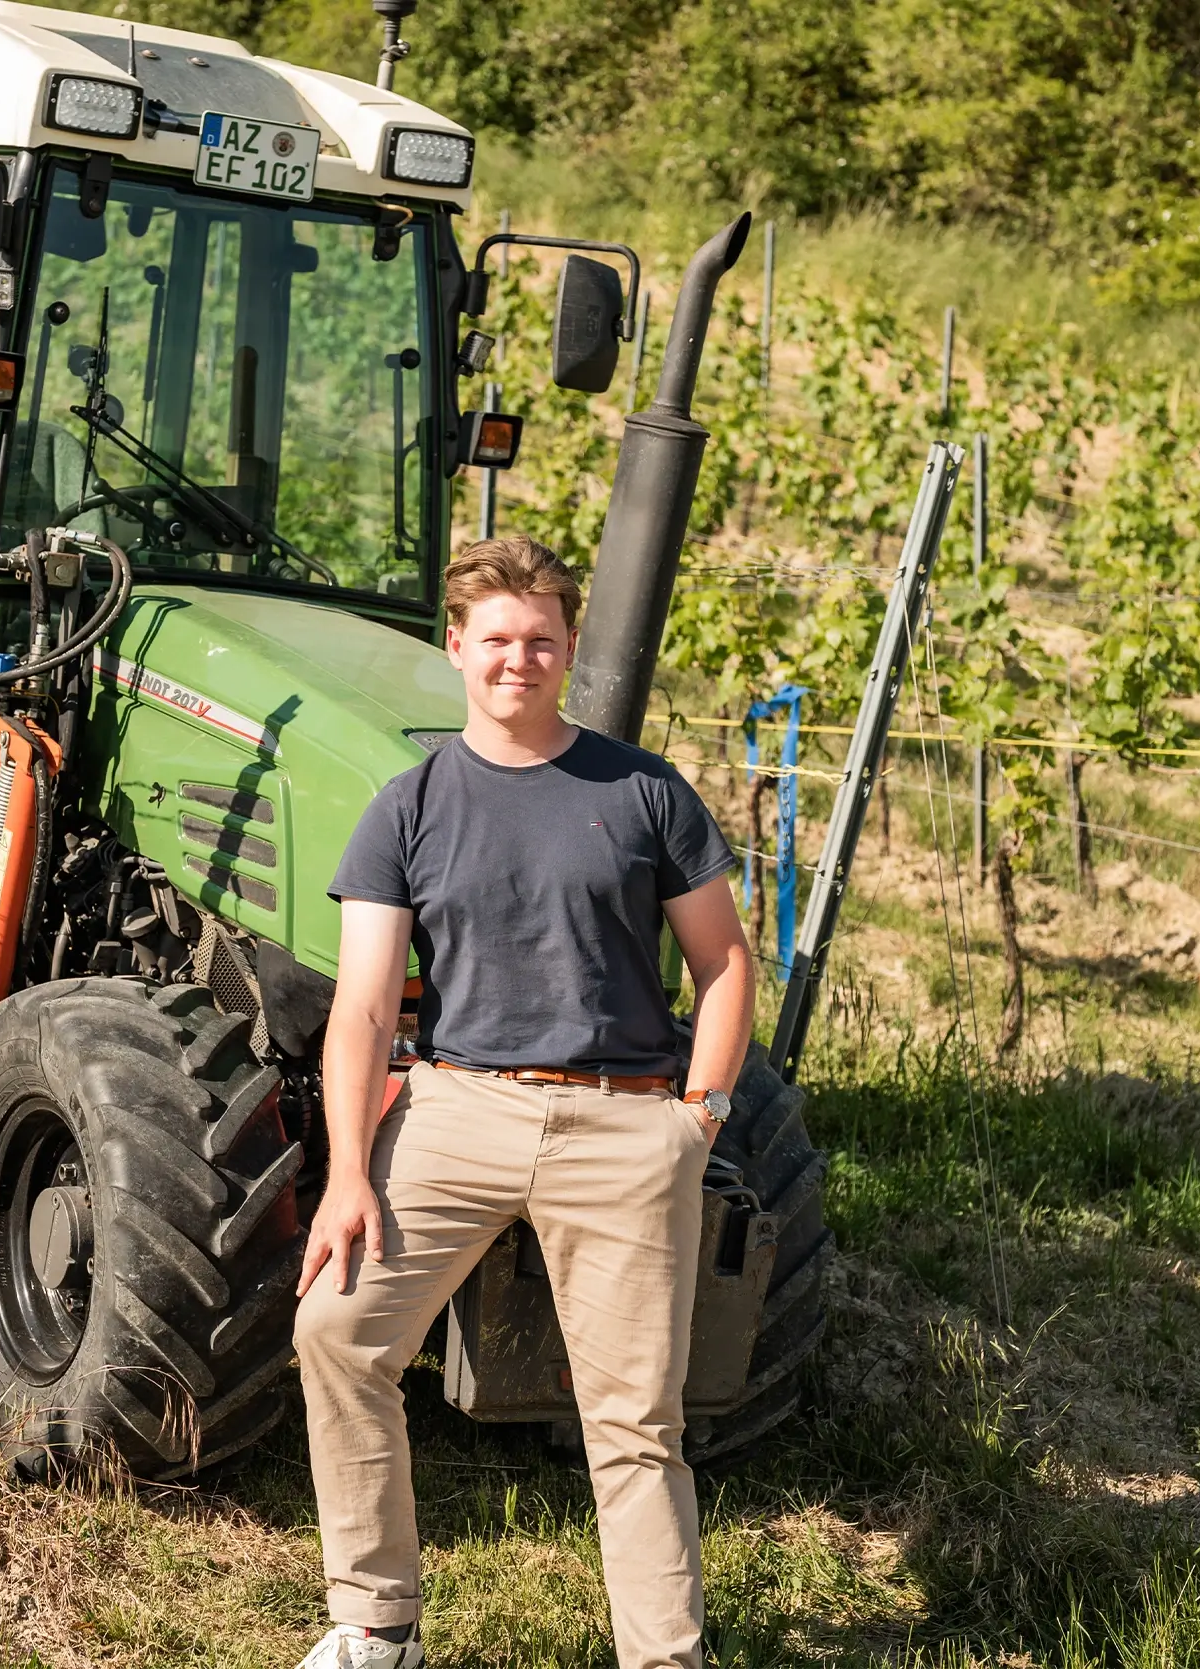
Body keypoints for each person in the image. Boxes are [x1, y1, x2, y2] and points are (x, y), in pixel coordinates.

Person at [290, 534, 755, 1669]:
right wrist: (349, 1173)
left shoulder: (641, 790)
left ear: (567, 647)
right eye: (496, 638)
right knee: (337, 1334)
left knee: (636, 1426)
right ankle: (375, 1623)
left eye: (540, 637)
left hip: (625, 1125)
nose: (519, 657)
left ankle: (662, 1658)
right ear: (454, 649)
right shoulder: (406, 808)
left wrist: (696, 1121)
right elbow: (361, 1010)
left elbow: (726, 964)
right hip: (454, 1113)